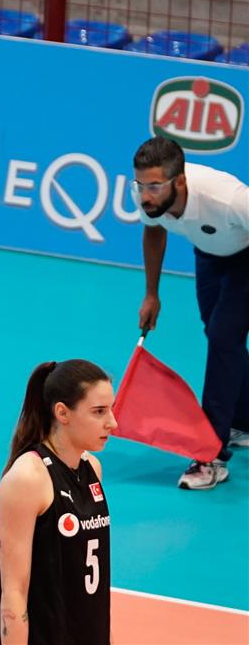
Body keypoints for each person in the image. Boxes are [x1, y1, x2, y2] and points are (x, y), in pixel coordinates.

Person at [134, 136, 249, 490]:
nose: (145, 195)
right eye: (140, 185)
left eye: (154, 186)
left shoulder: (229, 200)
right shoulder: (149, 197)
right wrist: (152, 294)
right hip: (209, 255)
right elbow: (154, 233)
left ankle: (210, 454)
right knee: (217, 333)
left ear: (180, 182)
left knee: (223, 337)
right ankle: (243, 421)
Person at [0, 360, 116, 645]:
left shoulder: (91, 469)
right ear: (62, 412)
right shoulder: (28, 479)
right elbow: (13, 594)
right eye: (99, 411)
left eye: (111, 409)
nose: (112, 422)